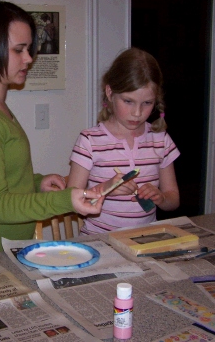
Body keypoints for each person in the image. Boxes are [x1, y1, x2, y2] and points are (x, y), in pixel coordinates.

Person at [0, 0, 103, 258]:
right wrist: (65, 200)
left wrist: (36, 183)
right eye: (19, 50)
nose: (28, 59)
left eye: (29, 49)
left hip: (7, 247)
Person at [68, 47, 180, 234]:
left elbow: (173, 200)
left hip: (145, 240)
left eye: (147, 103)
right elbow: (70, 201)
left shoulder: (161, 140)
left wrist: (161, 198)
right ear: (110, 93)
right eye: (128, 101)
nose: (137, 113)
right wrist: (104, 189)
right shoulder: (89, 141)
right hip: (99, 241)